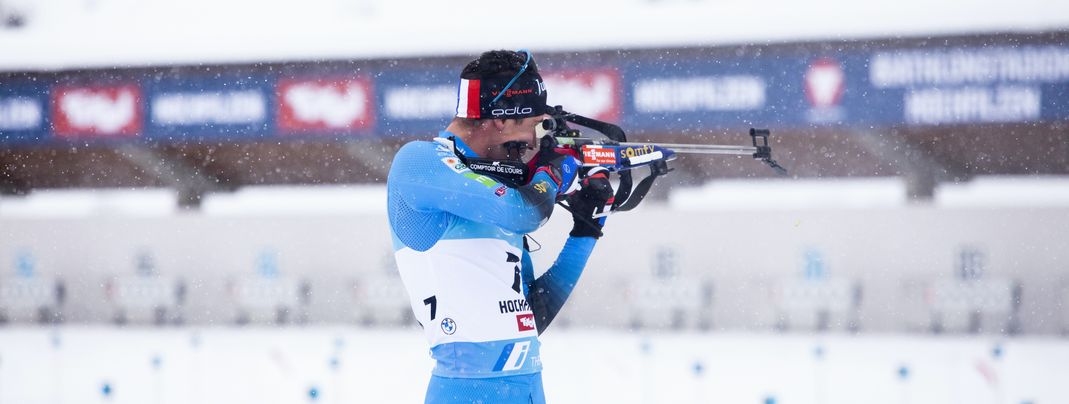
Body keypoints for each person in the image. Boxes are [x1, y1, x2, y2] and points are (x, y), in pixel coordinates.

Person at [386, 49, 614, 404]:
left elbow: (531, 315)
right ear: (501, 120)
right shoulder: (418, 162)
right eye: (533, 125)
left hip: (528, 388)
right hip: (465, 390)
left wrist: (587, 228)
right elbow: (524, 213)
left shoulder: (499, 192)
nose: (535, 142)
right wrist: (554, 172)